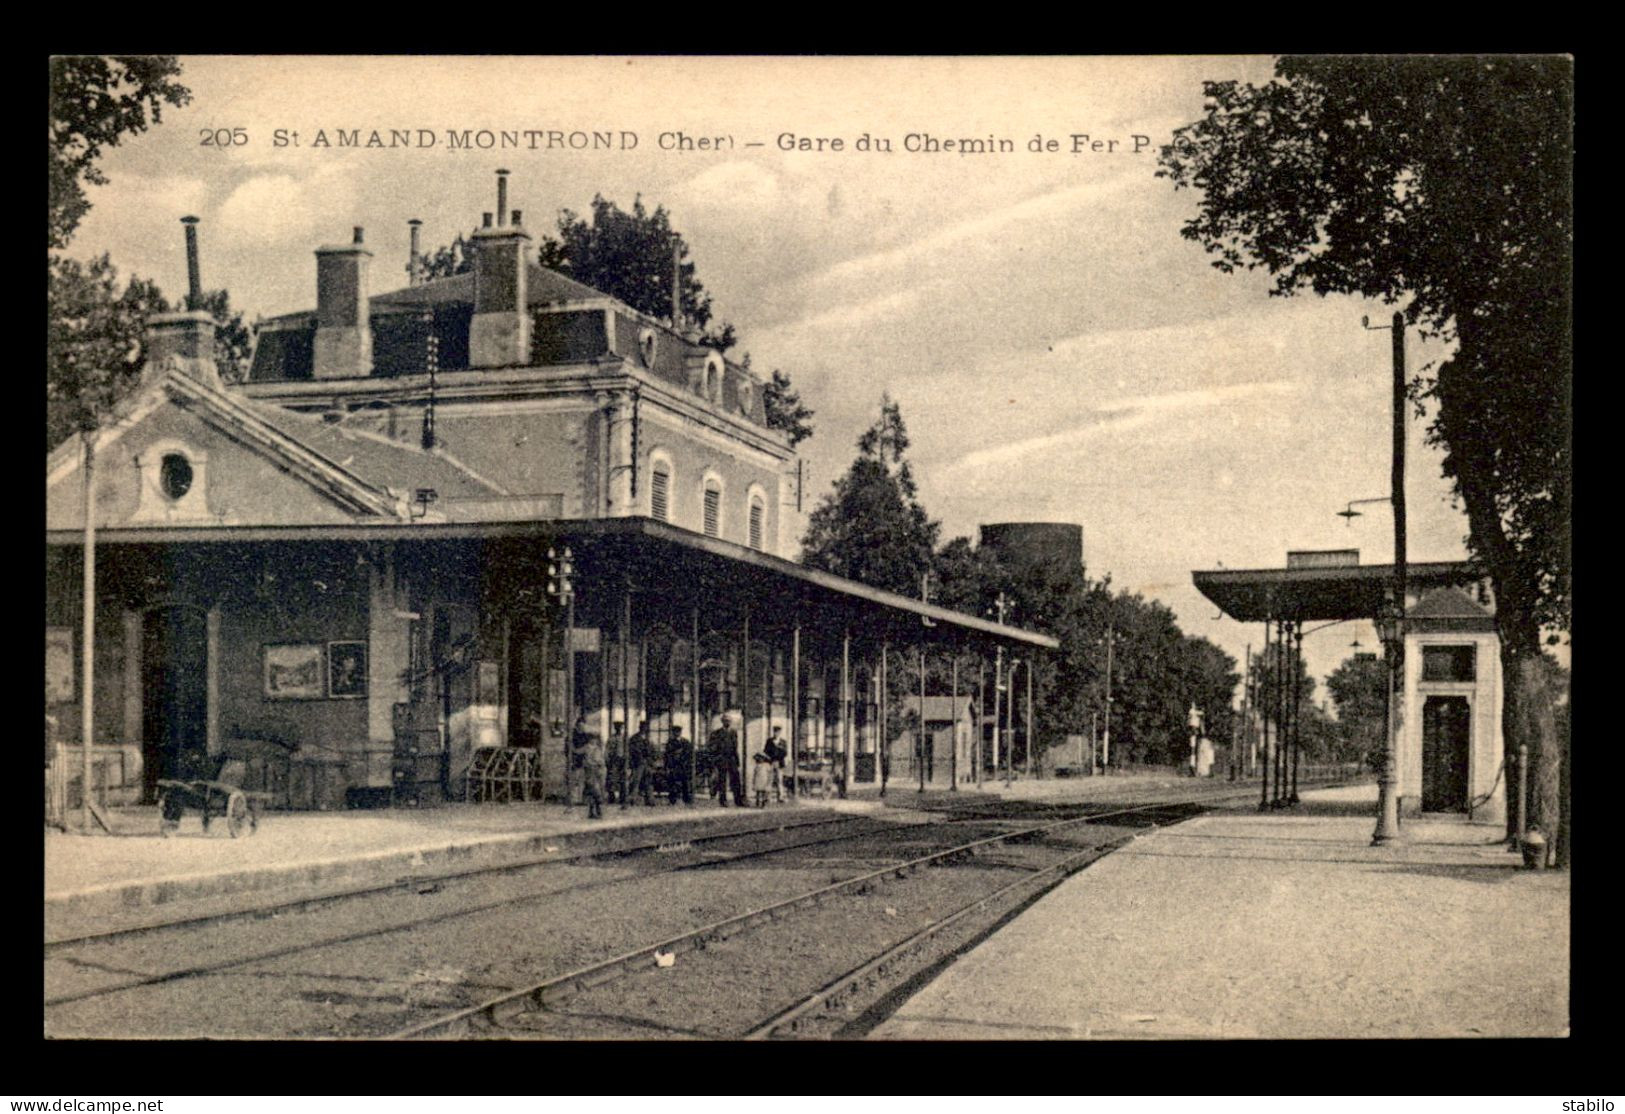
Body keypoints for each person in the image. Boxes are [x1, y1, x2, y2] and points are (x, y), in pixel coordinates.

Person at [708, 715, 743, 807]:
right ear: (722, 722)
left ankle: (738, 800)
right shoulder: (717, 733)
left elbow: (735, 747)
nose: (727, 723)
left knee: (735, 780)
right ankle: (723, 801)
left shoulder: (733, 732)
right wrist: (716, 758)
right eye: (725, 721)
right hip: (722, 759)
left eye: (729, 721)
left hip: (732, 759)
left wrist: (737, 760)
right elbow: (712, 747)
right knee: (722, 781)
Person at [664, 723, 694, 805]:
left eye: (678, 731)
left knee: (685, 783)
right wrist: (668, 766)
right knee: (673, 783)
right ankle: (672, 800)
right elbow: (667, 754)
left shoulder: (686, 742)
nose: (677, 733)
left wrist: (684, 759)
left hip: (683, 765)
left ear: (680, 732)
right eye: (675, 732)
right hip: (674, 765)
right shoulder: (670, 742)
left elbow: (689, 753)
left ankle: (687, 800)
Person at [627, 719, 655, 806]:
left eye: (646, 728)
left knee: (648, 782)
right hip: (638, 763)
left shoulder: (649, 739)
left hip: (647, 763)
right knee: (636, 781)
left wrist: (651, 759)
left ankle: (650, 800)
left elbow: (653, 750)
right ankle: (633, 800)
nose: (645, 729)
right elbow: (634, 750)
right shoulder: (634, 738)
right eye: (643, 728)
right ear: (640, 728)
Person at [764, 725, 788, 802]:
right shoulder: (769, 741)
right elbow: (766, 751)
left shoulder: (783, 742)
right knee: (769, 780)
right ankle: (767, 797)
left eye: (778, 732)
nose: (776, 733)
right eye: (775, 732)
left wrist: (778, 756)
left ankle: (780, 796)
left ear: (780, 733)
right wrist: (771, 757)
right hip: (771, 762)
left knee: (779, 779)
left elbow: (785, 752)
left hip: (779, 762)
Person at [606, 721, 626, 805]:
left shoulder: (624, 738)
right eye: (617, 728)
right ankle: (612, 797)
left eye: (620, 728)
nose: (619, 729)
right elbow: (608, 750)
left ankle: (622, 797)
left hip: (623, 760)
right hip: (614, 760)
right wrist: (608, 760)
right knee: (612, 779)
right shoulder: (612, 738)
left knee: (623, 778)